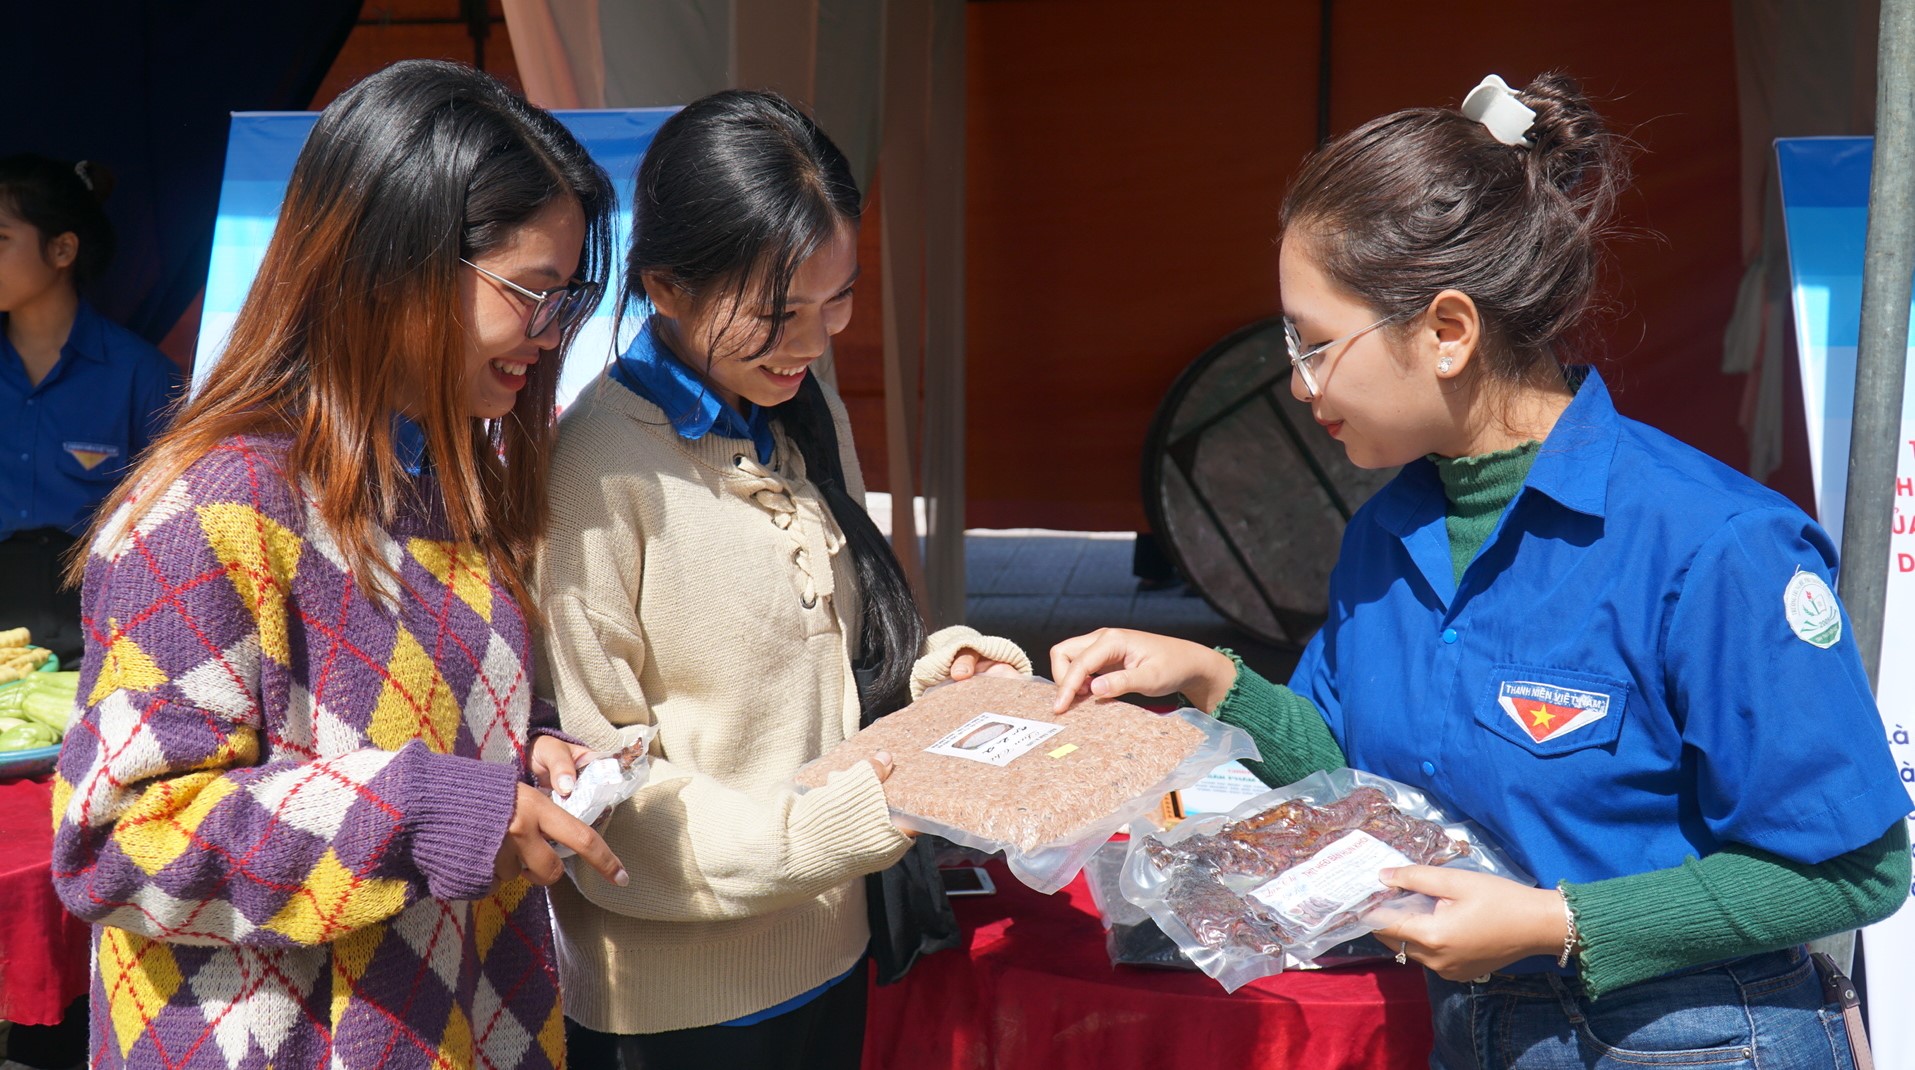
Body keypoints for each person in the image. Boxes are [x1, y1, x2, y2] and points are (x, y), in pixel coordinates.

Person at [1053, 72, 1911, 1069]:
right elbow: (1357, 773)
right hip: (1475, 1033)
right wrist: (1210, 678)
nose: (1295, 382)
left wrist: (1558, 920)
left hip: (1697, 1039)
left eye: (1317, 343)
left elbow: (1855, 869)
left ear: (1448, 331)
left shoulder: (1709, 544)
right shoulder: (1385, 536)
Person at [51, 60, 627, 1070]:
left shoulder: (459, 480)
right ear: (393, 262)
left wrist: (527, 750)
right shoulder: (210, 509)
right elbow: (115, 840)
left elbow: (412, 733)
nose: (555, 332)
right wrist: (431, 810)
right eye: (532, 293)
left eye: (570, 294)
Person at [533, 89, 1028, 1070]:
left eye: (835, 301)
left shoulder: (790, 412)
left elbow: (824, 669)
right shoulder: (598, 471)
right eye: (776, 312)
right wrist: (845, 822)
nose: (811, 341)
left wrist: (940, 685)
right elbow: (603, 784)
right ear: (665, 288)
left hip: (830, 958)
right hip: (682, 1013)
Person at [0, 154, 181, 666]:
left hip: (104, 640)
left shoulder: (141, 374)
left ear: (61, 250)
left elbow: (177, 523)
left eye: (0, 239)